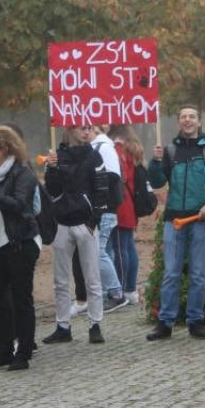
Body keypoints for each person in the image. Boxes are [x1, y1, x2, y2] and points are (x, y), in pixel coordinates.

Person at [147, 105, 205, 341]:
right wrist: (155, 162)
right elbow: (157, 181)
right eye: (183, 117)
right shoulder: (170, 150)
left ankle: (195, 321)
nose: (188, 120)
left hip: (201, 220)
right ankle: (165, 323)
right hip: (175, 221)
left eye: (192, 116)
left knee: (198, 273)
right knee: (171, 273)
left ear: (199, 122)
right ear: (179, 122)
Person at [0, 126, 42, 371]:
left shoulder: (23, 173)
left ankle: (23, 352)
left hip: (21, 243)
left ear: (4, 148)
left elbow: (18, 205)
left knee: (21, 298)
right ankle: (4, 349)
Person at [43, 125, 109, 345]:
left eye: (88, 128)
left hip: (85, 223)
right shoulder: (56, 157)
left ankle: (95, 324)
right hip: (62, 223)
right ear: (70, 130)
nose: (85, 132)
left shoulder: (94, 155)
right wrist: (51, 169)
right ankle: (63, 326)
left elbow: (102, 189)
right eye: (81, 128)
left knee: (92, 277)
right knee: (60, 280)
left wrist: (94, 220)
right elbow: (51, 190)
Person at [90, 125, 127, 312]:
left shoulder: (102, 148)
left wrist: (102, 205)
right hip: (106, 208)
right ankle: (106, 292)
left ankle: (116, 293)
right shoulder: (102, 147)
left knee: (98, 251)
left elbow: (112, 179)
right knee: (105, 250)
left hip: (105, 209)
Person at [107, 124, 143, 306]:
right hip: (130, 202)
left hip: (120, 203)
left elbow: (120, 177)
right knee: (128, 246)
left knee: (120, 247)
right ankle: (130, 288)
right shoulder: (133, 147)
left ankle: (120, 289)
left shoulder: (117, 149)